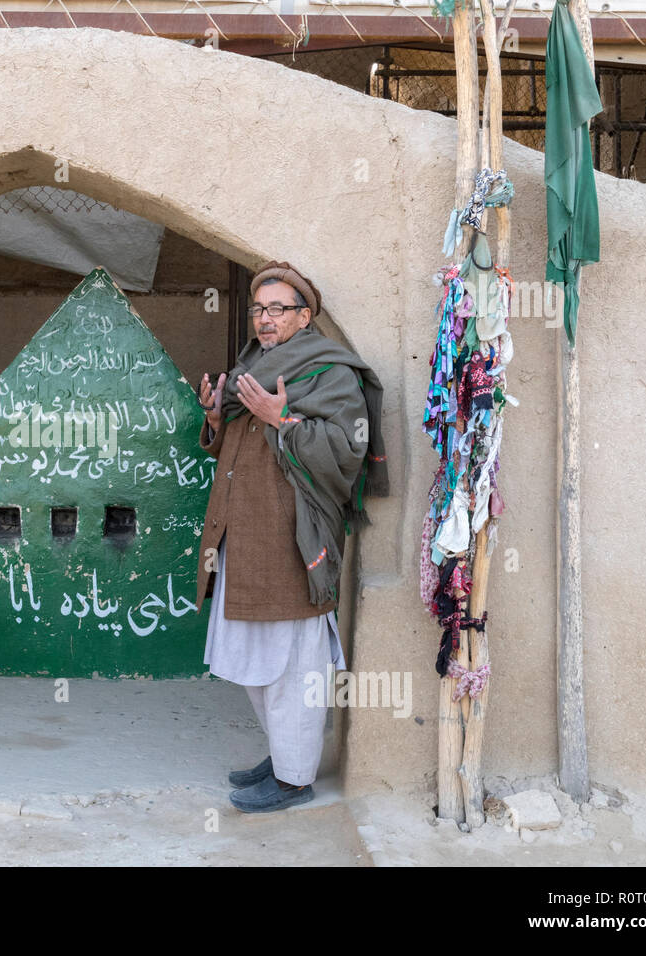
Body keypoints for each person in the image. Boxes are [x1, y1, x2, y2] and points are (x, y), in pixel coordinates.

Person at [195, 260, 389, 813]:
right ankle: (284, 755)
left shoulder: (332, 372)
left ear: (304, 317)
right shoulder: (252, 365)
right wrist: (215, 415)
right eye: (258, 309)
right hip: (245, 532)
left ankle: (295, 777)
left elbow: (348, 451)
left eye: (277, 309)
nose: (264, 319)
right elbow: (233, 440)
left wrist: (285, 422)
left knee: (295, 661)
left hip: (293, 538)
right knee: (254, 654)